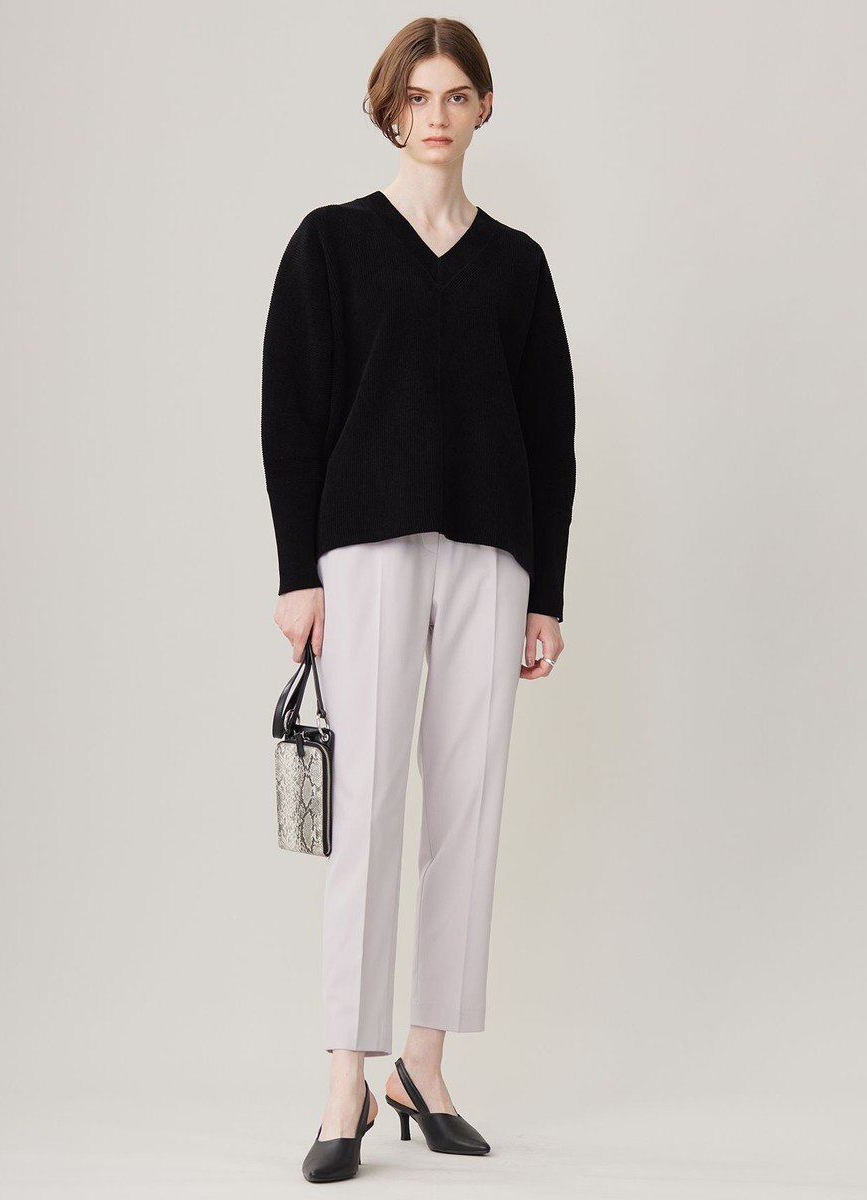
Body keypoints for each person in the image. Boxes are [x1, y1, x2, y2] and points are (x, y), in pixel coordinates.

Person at [260, 16, 576, 1183]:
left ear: (483, 108)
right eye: (416, 96)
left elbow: (550, 436)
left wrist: (546, 591)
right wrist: (298, 571)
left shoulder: (517, 265)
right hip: (366, 553)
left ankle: (424, 1066)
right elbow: (291, 413)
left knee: (467, 810)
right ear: (388, 108)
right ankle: (345, 1077)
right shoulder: (332, 244)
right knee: (367, 812)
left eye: (455, 95)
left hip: (491, 555)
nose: (434, 116)